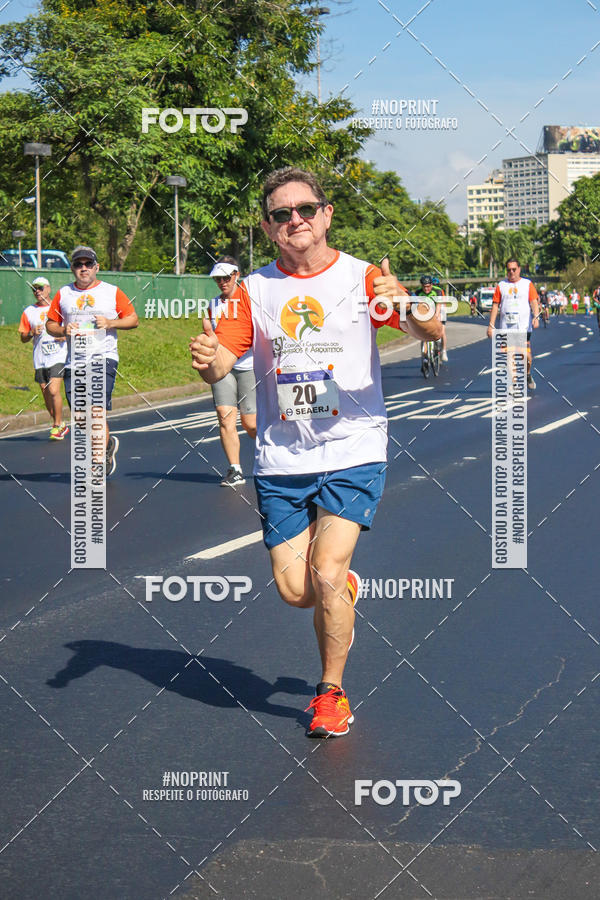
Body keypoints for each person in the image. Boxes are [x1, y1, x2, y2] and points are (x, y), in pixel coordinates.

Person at [190, 166, 442, 738]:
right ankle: (343, 591)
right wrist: (209, 360)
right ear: (267, 227)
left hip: (354, 448)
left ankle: (331, 693)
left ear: (326, 215)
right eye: (281, 214)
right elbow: (224, 359)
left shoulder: (363, 277)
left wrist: (410, 304)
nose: (295, 220)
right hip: (282, 457)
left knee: (326, 573)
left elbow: (429, 334)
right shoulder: (253, 291)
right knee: (295, 590)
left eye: (306, 209)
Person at [46, 246, 139, 475]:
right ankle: (107, 446)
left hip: (103, 357)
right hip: (74, 362)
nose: (84, 268)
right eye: (79, 264)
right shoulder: (64, 294)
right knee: (81, 417)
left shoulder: (111, 291)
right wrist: (63, 330)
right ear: (72, 269)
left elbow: (133, 319)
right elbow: (50, 324)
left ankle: (97, 462)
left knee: (96, 410)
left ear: (96, 267)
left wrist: (110, 323)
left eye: (88, 264)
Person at [208, 257, 257, 487]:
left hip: (250, 366)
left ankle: (272, 456)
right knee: (224, 415)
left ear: (237, 275)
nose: (222, 282)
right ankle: (235, 469)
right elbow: (211, 334)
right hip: (223, 368)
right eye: (218, 279)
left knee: (250, 423)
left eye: (226, 277)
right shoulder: (213, 305)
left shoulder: (250, 300)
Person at [18, 276, 69, 440]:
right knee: (46, 393)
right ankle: (59, 423)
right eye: (34, 289)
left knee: (54, 390)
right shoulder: (29, 311)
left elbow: (73, 327)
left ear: (48, 289)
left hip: (59, 355)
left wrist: (64, 336)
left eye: (40, 288)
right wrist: (32, 333)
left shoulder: (60, 308)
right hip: (40, 358)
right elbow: (23, 337)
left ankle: (56, 426)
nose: (37, 291)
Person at [487, 258, 539, 390]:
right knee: (509, 355)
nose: (511, 272)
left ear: (519, 269)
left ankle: (527, 374)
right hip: (506, 328)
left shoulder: (527, 284)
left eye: (514, 269)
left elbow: (533, 302)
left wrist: (536, 316)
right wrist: (491, 325)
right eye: (509, 270)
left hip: (523, 327)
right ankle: (514, 383)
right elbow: (495, 305)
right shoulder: (501, 285)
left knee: (526, 356)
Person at [415, 275, 447, 364]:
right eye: (424, 287)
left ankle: (443, 350)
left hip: (438, 310)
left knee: (441, 332)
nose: (426, 289)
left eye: (428, 286)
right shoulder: (418, 292)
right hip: (425, 312)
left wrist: (437, 316)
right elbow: (415, 306)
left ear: (432, 285)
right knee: (423, 334)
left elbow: (439, 305)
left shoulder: (438, 291)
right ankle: (424, 356)